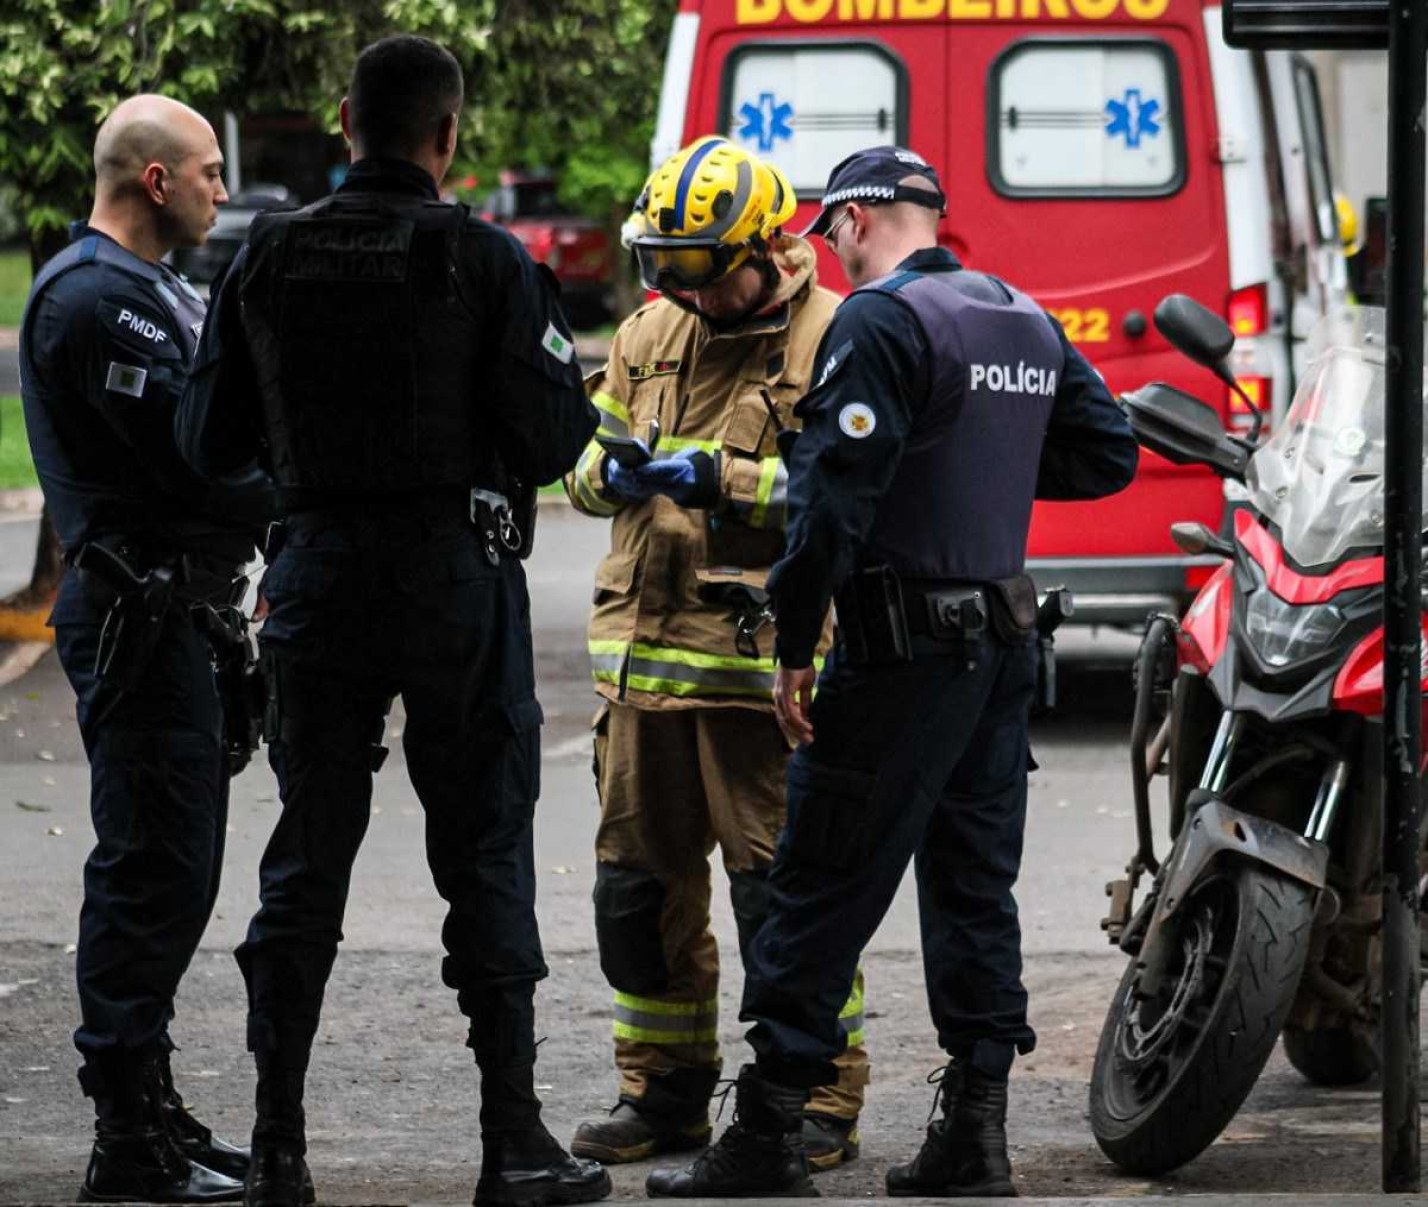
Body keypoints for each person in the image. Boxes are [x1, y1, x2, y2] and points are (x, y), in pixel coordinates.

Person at [646, 145, 1140, 1199]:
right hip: (1003, 653)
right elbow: (1107, 455)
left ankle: (772, 1131)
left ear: (862, 219)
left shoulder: (880, 320)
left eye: (831, 229)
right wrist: (980, 455)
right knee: (973, 888)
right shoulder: (1018, 312)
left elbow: (832, 505)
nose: (827, 247)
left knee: (819, 883)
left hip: (898, 651)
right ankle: (976, 1134)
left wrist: (790, 641)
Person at [174, 34, 611, 1207]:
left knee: (307, 851)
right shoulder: (486, 260)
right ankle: (513, 1143)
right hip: (454, 579)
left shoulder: (264, 259)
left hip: (315, 575)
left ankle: (277, 1149)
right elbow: (557, 440)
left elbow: (205, 442)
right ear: (448, 136)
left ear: (342, 122)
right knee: (485, 849)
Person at [563, 135, 870, 1173]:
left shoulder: (837, 339)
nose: (684, 295)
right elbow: (582, 467)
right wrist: (606, 475)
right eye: (666, 269)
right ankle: (665, 1093)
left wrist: (725, 482)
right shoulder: (652, 328)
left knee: (783, 901)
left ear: (767, 243)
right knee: (638, 896)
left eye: (702, 271)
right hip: (640, 676)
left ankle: (816, 1096)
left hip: (759, 680)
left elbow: (848, 501)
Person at [19, 95, 268, 1202]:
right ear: (156, 179)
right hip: (140, 618)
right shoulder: (96, 300)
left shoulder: (150, 289)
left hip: (178, 616)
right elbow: (195, 462)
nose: (224, 188)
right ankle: (127, 1139)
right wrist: (314, 493)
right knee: (147, 874)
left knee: (175, 870)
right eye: (210, 170)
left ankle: (153, 1108)